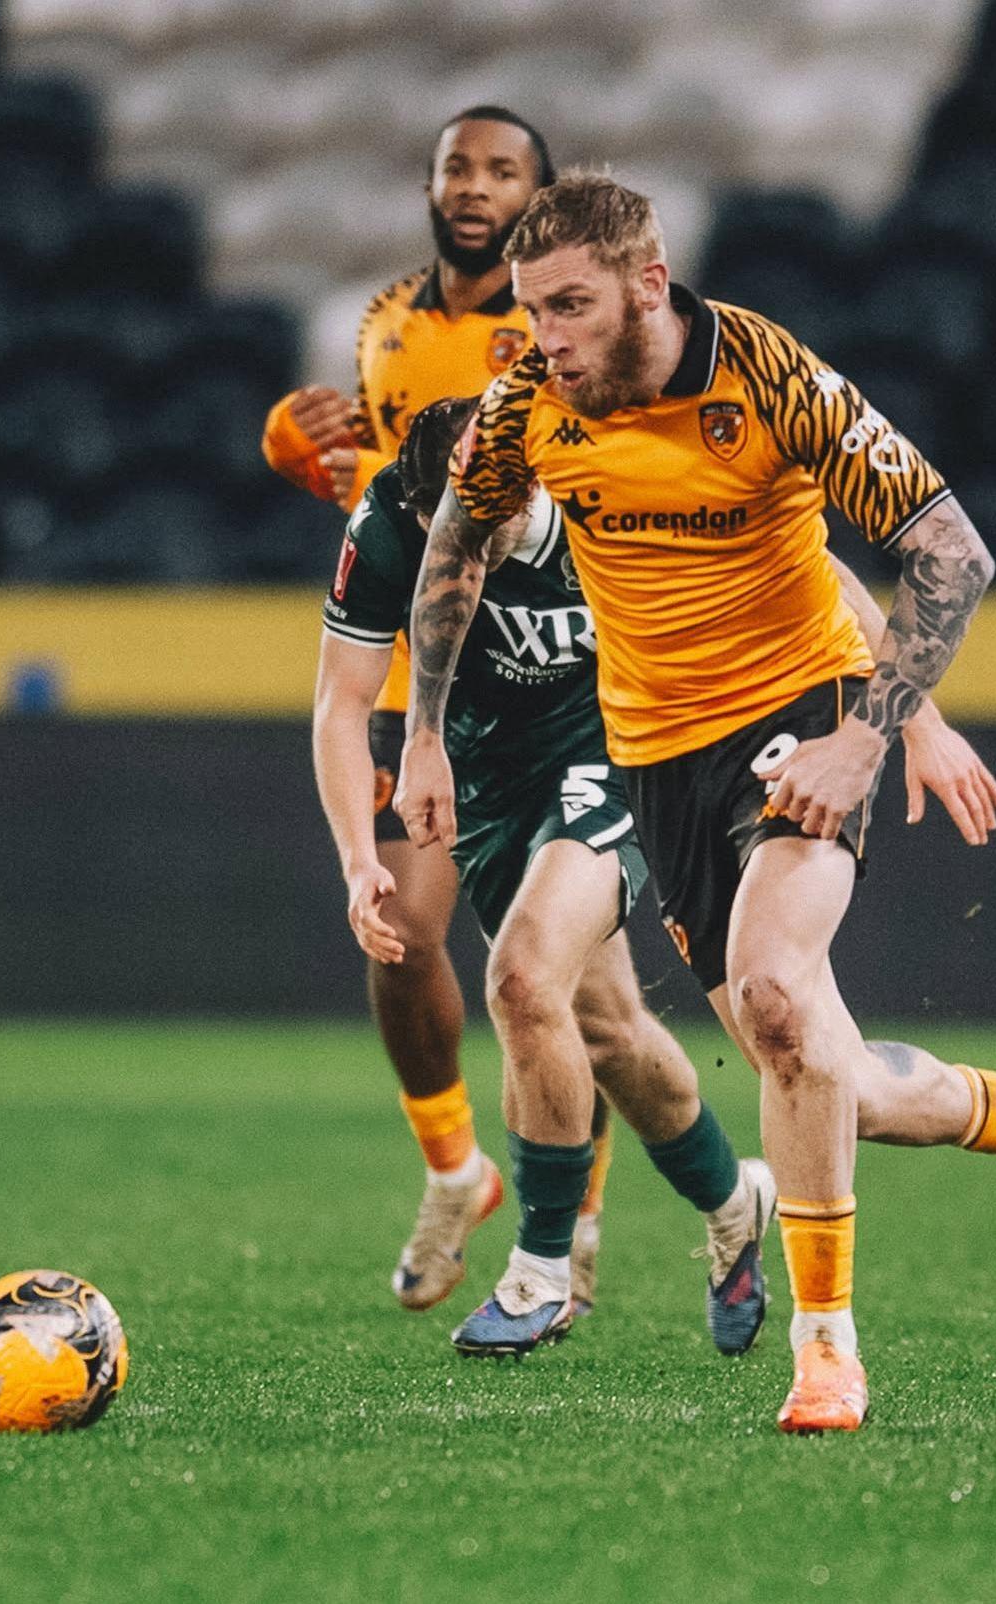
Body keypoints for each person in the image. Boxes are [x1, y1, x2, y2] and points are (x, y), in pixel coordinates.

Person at [396, 173, 996, 1429]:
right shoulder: (527, 406)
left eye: (571, 306)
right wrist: (424, 736)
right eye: (531, 310)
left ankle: (827, 1352)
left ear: (648, 285)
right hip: (656, 758)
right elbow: (453, 545)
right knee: (825, 1070)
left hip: (801, 715)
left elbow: (952, 552)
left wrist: (874, 735)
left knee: (772, 991)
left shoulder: (769, 381)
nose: (546, 337)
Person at [316, 396, 775, 1357]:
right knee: (607, 1031)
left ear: (525, 490)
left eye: (473, 525)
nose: (454, 545)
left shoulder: (603, 494)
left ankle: (540, 1272)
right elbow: (342, 702)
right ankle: (737, 1203)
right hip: (489, 779)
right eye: (441, 523)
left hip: (621, 751)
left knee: (521, 978)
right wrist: (359, 860)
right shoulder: (388, 522)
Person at [262, 108, 624, 1312]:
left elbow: (554, 491)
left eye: (502, 171)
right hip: (424, 689)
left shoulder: (559, 330)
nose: (475, 186)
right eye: (457, 167)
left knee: (570, 984)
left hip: (554, 681)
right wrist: (303, 457)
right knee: (404, 936)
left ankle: (573, 1223)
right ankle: (456, 1166)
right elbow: (398, 503)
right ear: (428, 186)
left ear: (540, 196)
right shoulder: (384, 324)